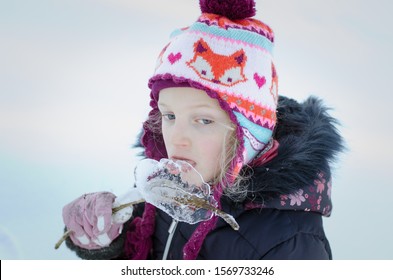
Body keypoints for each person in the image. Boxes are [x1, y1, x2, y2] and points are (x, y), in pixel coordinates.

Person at [61, 0, 344, 260]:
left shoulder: (290, 242)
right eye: (169, 115)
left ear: (249, 137)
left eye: (204, 121)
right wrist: (107, 241)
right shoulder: (169, 188)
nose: (177, 138)